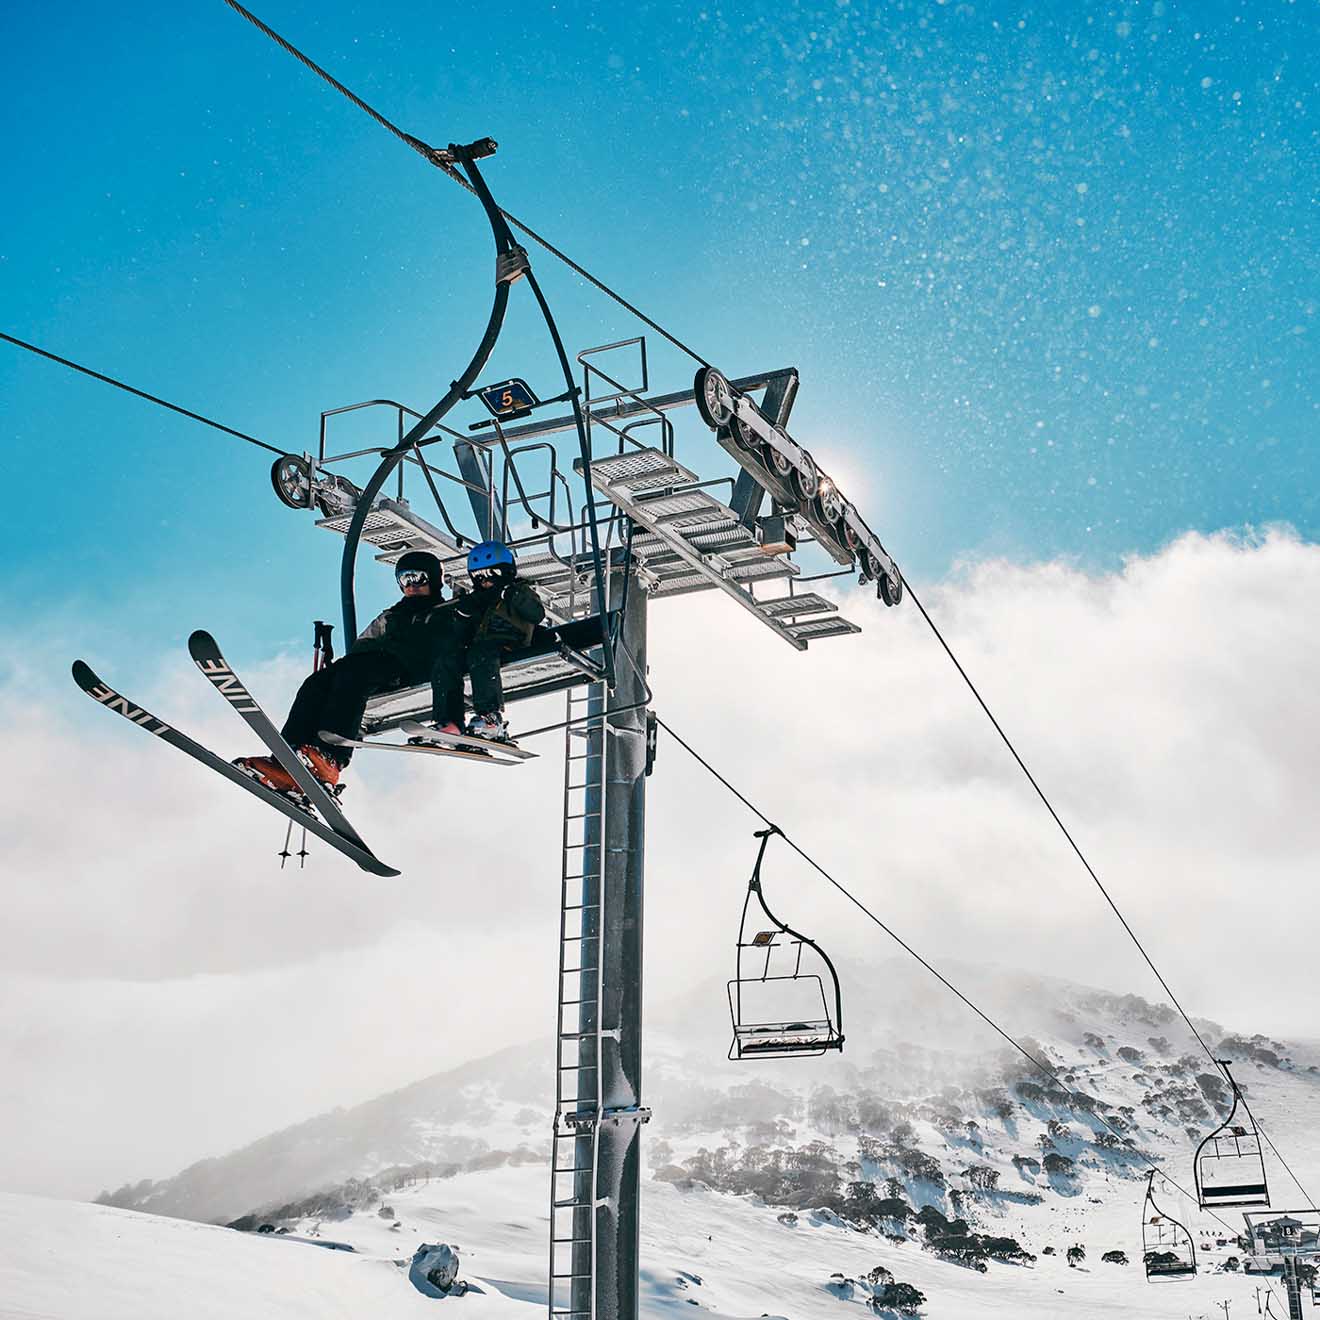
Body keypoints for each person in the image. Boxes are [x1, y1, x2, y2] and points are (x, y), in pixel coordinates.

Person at [236, 550, 456, 793]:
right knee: (317, 683)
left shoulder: (445, 612)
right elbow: (364, 644)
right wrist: (343, 667)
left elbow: (453, 647)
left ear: (434, 580)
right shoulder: (392, 614)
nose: (411, 585)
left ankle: (331, 758)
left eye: (419, 578)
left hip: (409, 668)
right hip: (375, 664)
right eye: (405, 579)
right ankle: (288, 760)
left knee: (354, 676)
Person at [430, 539, 546, 743]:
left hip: (511, 642)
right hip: (481, 646)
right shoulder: (479, 600)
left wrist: (511, 594)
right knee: (447, 658)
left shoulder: (519, 591)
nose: (485, 581)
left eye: (492, 575)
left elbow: (536, 614)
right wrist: (463, 615)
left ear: (506, 573)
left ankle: (490, 716)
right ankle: (450, 721)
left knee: (480, 653)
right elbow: (461, 635)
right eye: (478, 576)